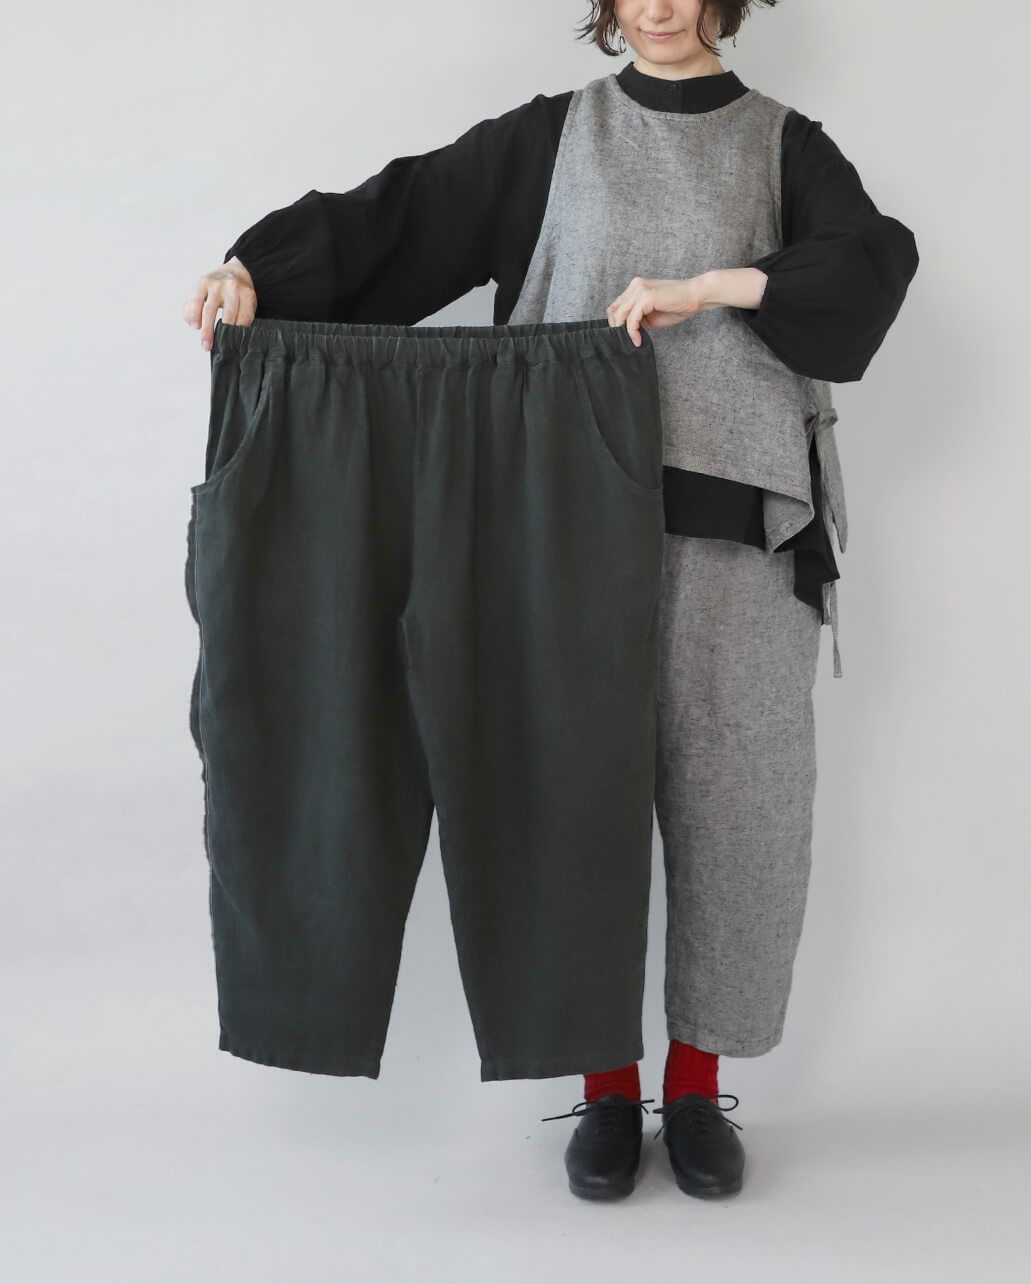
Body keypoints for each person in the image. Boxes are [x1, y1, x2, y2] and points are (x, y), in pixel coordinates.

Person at [183, 0, 919, 1202]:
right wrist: (258, 271)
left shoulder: (783, 144)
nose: (657, 5)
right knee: (563, 806)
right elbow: (403, 217)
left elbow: (868, 263)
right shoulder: (548, 137)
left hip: (734, 532)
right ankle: (605, 1086)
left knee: (739, 812)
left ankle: (694, 1087)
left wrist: (714, 285)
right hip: (553, 539)